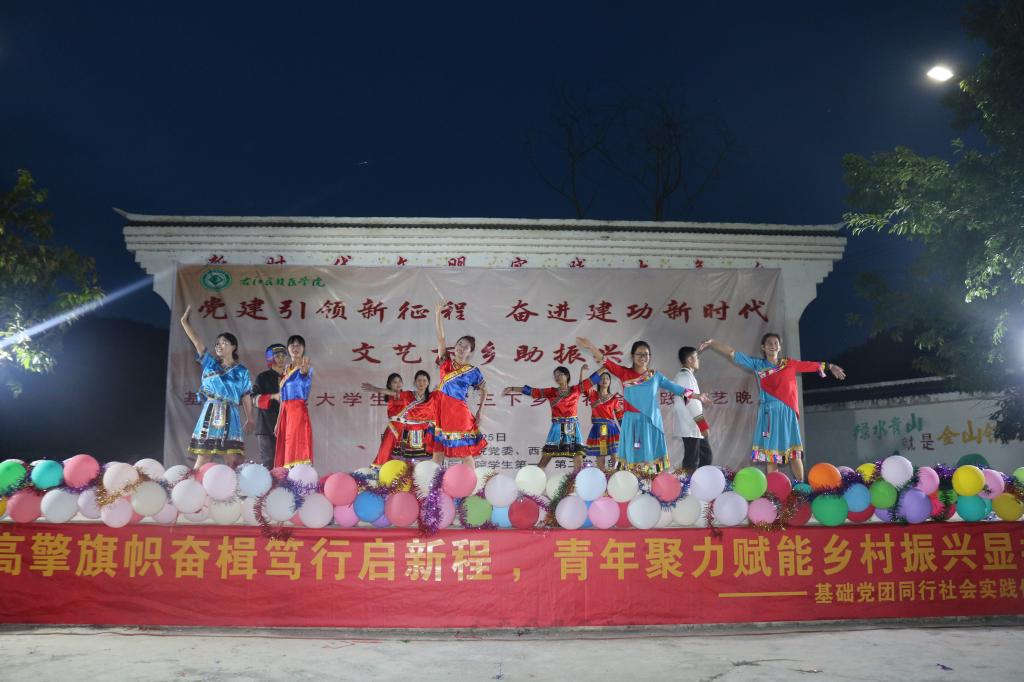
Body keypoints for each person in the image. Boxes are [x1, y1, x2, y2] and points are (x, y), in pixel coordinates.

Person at [699, 333, 845, 482]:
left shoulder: (789, 363)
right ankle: (774, 490)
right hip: (769, 414)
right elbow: (733, 353)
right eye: (769, 343)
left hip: (787, 413)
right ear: (763, 347)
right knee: (771, 456)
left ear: (780, 347)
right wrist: (713, 342)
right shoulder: (758, 365)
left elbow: (809, 365)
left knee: (794, 453)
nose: (773, 346)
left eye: (776, 343)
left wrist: (830, 366)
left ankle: (801, 487)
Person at [576, 337, 709, 473]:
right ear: (632, 356)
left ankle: (651, 481)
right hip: (632, 422)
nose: (643, 357)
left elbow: (676, 388)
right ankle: (633, 481)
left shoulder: (655, 376)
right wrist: (591, 347)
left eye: (646, 354)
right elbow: (606, 361)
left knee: (651, 458)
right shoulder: (624, 373)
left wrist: (697, 396)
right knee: (633, 456)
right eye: (639, 354)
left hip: (651, 421)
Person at [396, 301, 487, 466]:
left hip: (459, 413)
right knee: (437, 454)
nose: (461, 348)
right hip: (440, 411)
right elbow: (441, 338)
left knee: (465, 454)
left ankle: (469, 482)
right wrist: (438, 313)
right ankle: (434, 483)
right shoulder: (446, 362)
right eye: (460, 344)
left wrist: (480, 412)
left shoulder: (473, 371)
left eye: (466, 347)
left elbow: (484, 390)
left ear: (470, 352)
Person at [179, 305, 254, 470]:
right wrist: (184, 322)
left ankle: (233, 486)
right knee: (204, 456)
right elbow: (197, 342)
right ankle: (193, 484)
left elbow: (246, 395)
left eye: (224, 343)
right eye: (217, 343)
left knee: (231, 459)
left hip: (231, 413)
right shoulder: (210, 363)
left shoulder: (242, 371)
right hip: (211, 411)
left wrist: (250, 417)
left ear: (233, 346)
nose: (219, 345)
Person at [503, 363, 601, 471]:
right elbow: (533, 391)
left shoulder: (575, 389)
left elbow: (590, 381)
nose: (557, 377)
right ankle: (536, 479)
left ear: (567, 375)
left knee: (578, 457)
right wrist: (512, 388)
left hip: (572, 427)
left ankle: (577, 480)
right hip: (557, 427)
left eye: (559, 374)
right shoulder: (551, 392)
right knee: (546, 456)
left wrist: (605, 366)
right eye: (555, 376)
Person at [362, 370, 434, 465]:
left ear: (428, 382)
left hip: (408, 429)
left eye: (400, 381)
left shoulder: (429, 396)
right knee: (387, 451)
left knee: (408, 455)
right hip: (394, 428)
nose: (398, 384)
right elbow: (392, 393)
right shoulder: (404, 395)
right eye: (395, 382)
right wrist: (375, 389)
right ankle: (382, 470)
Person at [671, 346, 713, 475]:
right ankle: (688, 484)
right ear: (690, 359)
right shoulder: (684, 377)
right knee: (692, 460)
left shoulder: (687, 376)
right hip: (690, 425)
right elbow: (690, 402)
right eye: (697, 357)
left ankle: (699, 481)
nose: (698, 360)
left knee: (705, 456)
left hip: (693, 426)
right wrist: (702, 425)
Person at [274, 335, 314, 468]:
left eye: (298, 345)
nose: (295, 348)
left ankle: (299, 475)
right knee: (286, 445)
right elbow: (282, 398)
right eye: (292, 345)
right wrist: (278, 421)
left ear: (304, 348)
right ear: (288, 348)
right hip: (285, 412)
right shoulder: (286, 370)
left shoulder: (305, 367)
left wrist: (304, 371)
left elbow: (304, 374)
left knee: (296, 444)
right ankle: (286, 476)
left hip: (297, 412)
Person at [251, 343, 287, 469]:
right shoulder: (263, 377)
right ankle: (267, 483)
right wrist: (273, 396)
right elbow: (253, 399)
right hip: (266, 427)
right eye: (277, 356)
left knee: (286, 463)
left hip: (286, 426)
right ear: (270, 358)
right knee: (269, 462)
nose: (281, 358)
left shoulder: (289, 377)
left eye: (283, 355)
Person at [585, 370, 625, 472]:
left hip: (611, 430)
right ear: (598, 381)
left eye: (607, 378)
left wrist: (626, 430)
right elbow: (584, 385)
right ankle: (602, 479)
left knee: (615, 457)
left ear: (610, 382)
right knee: (601, 457)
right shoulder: (593, 394)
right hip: (599, 430)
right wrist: (584, 372)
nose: (604, 380)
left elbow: (620, 416)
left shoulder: (614, 398)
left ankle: (618, 477)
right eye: (602, 378)